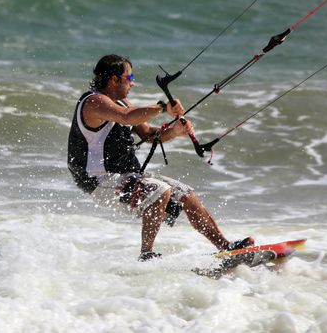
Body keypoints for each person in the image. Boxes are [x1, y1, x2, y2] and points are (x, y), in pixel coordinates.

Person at [67, 54, 254, 261]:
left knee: (186, 194)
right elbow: (127, 116)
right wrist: (164, 108)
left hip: (124, 176)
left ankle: (226, 248)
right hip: (98, 180)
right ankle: (146, 254)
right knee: (159, 190)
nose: (133, 82)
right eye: (130, 78)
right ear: (114, 79)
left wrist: (175, 131)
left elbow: (148, 135)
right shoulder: (94, 102)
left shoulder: (120, 102)